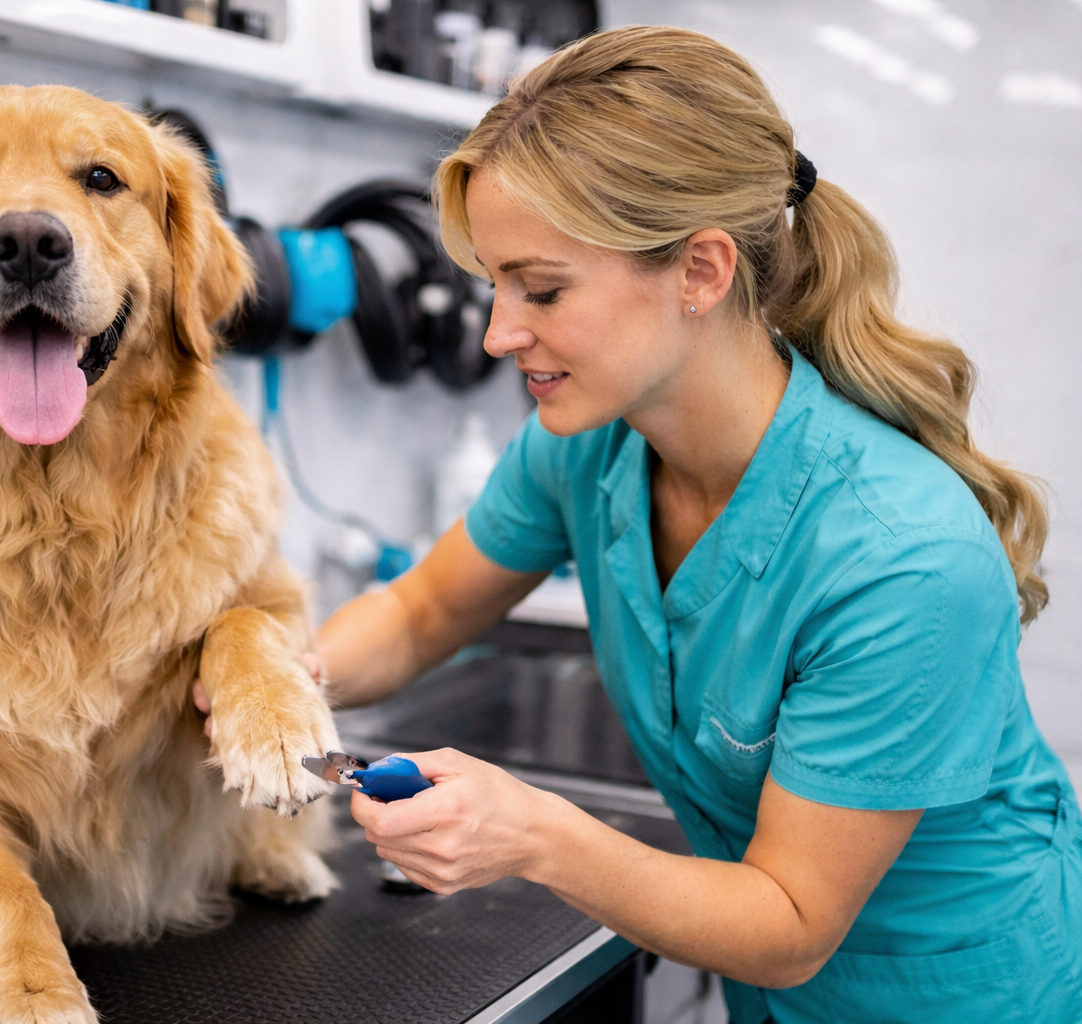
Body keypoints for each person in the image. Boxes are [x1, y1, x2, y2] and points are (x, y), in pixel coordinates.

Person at [196, 24, 1079, 1024]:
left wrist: (529, 832)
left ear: (701, 271)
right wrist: (269, 690)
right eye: (495, 285)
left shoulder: (902, 557)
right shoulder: (591, 443)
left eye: (544, 289)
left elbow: (787, 919)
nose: (498, 333)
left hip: (965, 998)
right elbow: (423, 611)